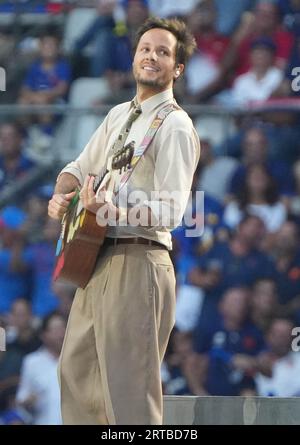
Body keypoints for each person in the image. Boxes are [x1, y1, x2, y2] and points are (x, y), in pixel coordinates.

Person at [48, 17, 200, 425]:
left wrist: (114, 211)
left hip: (139, 259)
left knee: (128, 393)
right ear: (134, 56)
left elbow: (172, 210)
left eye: (163, 52)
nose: (152, 56)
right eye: (145, 49)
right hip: (97, 257)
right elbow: (78, 168)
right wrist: (62, 193)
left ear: (177, 69)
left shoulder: (175, 125)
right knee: (76, 375)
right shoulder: (119, 114)